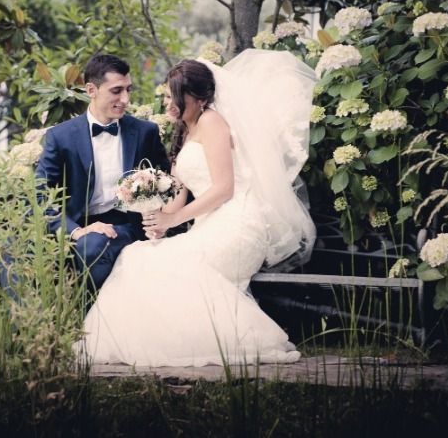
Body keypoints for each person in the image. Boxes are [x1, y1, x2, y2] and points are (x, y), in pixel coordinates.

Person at [75, 49, 317, 367]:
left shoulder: (214, 122)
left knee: (171, 266)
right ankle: (148, 343)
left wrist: (175, 217)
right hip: (210, 224)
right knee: (138, 256)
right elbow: (179, 192)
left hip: (239, 222)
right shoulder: (188, 130)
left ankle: (190, 345)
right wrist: (158, 219)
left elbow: (223, 188)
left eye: (173, 96)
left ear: (196, 97)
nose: (168, 104)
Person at [35, 54, 169, 290]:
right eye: (117, 91)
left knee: (92, 247)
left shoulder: (144, 132)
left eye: (128, 89)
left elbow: (166, 183)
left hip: (126, 225)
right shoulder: (61, 136)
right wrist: (76, 231)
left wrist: (158, 215)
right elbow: (39, 196)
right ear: (91, 90)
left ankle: (90, 318)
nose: (125, 99)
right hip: (77, 224)